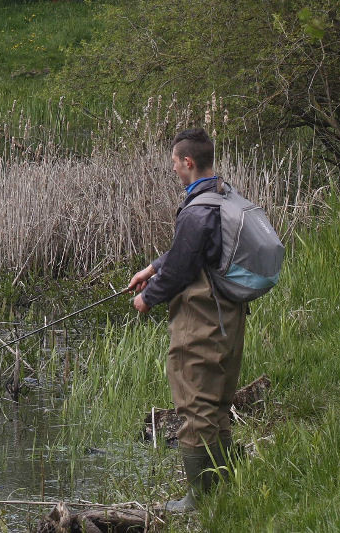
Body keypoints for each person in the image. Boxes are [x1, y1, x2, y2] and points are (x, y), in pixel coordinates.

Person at [128, 128, 248, 512]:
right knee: (217, 401)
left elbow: (182, 268)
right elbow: (191, 250)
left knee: (195, 405)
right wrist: (152, 267)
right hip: (228, 315)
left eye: (175, 164)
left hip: (201, 321)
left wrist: (148, 297)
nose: (174, 170)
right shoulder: (222, 196)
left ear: (188, 162)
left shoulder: (196, 210)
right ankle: (224, 483)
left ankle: (198, 499)